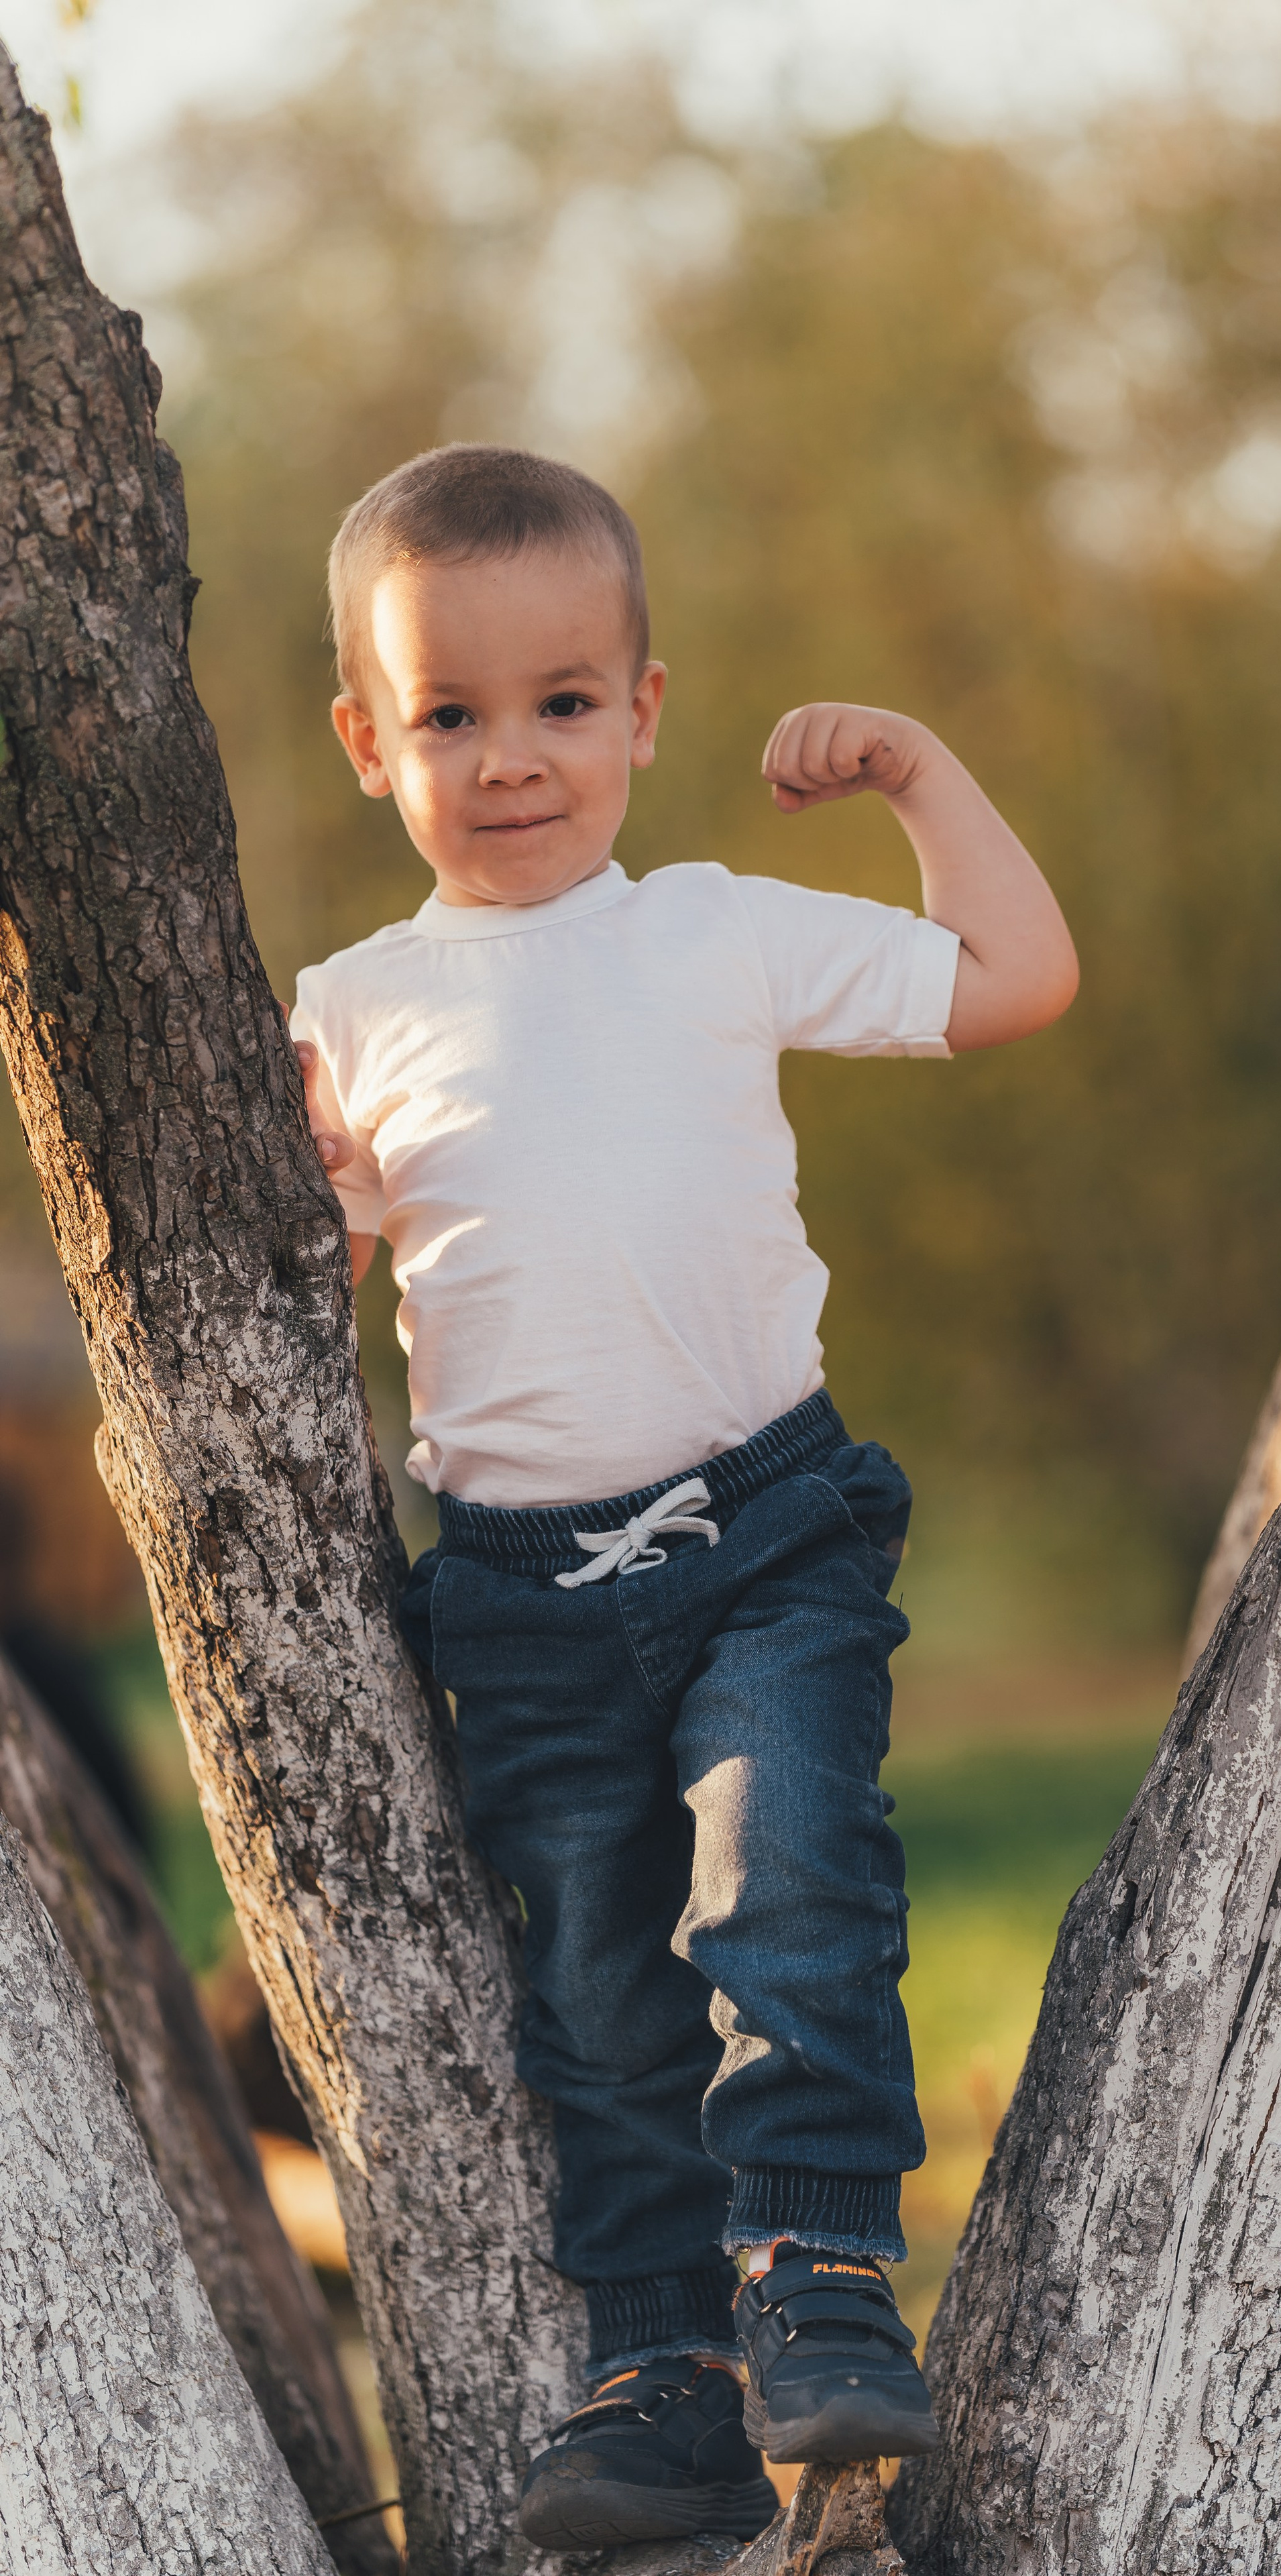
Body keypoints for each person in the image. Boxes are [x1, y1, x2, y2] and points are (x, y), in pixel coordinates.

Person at [290, 443, 1078, 2552]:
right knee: (598, 1996)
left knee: (790, 1871)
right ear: (370, 745)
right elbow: (307, 1241)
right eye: (451, 716)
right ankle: (663, 2374)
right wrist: (333, 1210)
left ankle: (820, 2280)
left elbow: (1013, 981)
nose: (514, 757)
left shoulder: (715, 935)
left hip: (765, 1537)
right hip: (526, 1596)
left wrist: (921, 774)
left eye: (563, 703)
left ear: (645, 709)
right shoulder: (354, 1009)